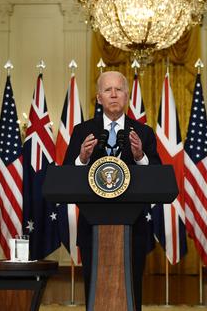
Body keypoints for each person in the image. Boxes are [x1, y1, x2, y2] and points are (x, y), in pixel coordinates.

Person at [63, 71, 160, 311]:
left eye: (119, 90)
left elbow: (158, 178)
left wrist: (140, 157)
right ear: (98, 98)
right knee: (94, 285)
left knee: (133, 286)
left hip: (134, 226)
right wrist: (82, 158)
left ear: (127, 96)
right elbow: (65, 176)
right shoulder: (82, 132)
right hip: (91, 225)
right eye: (108, 90)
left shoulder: (144, 133)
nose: (114, 94)